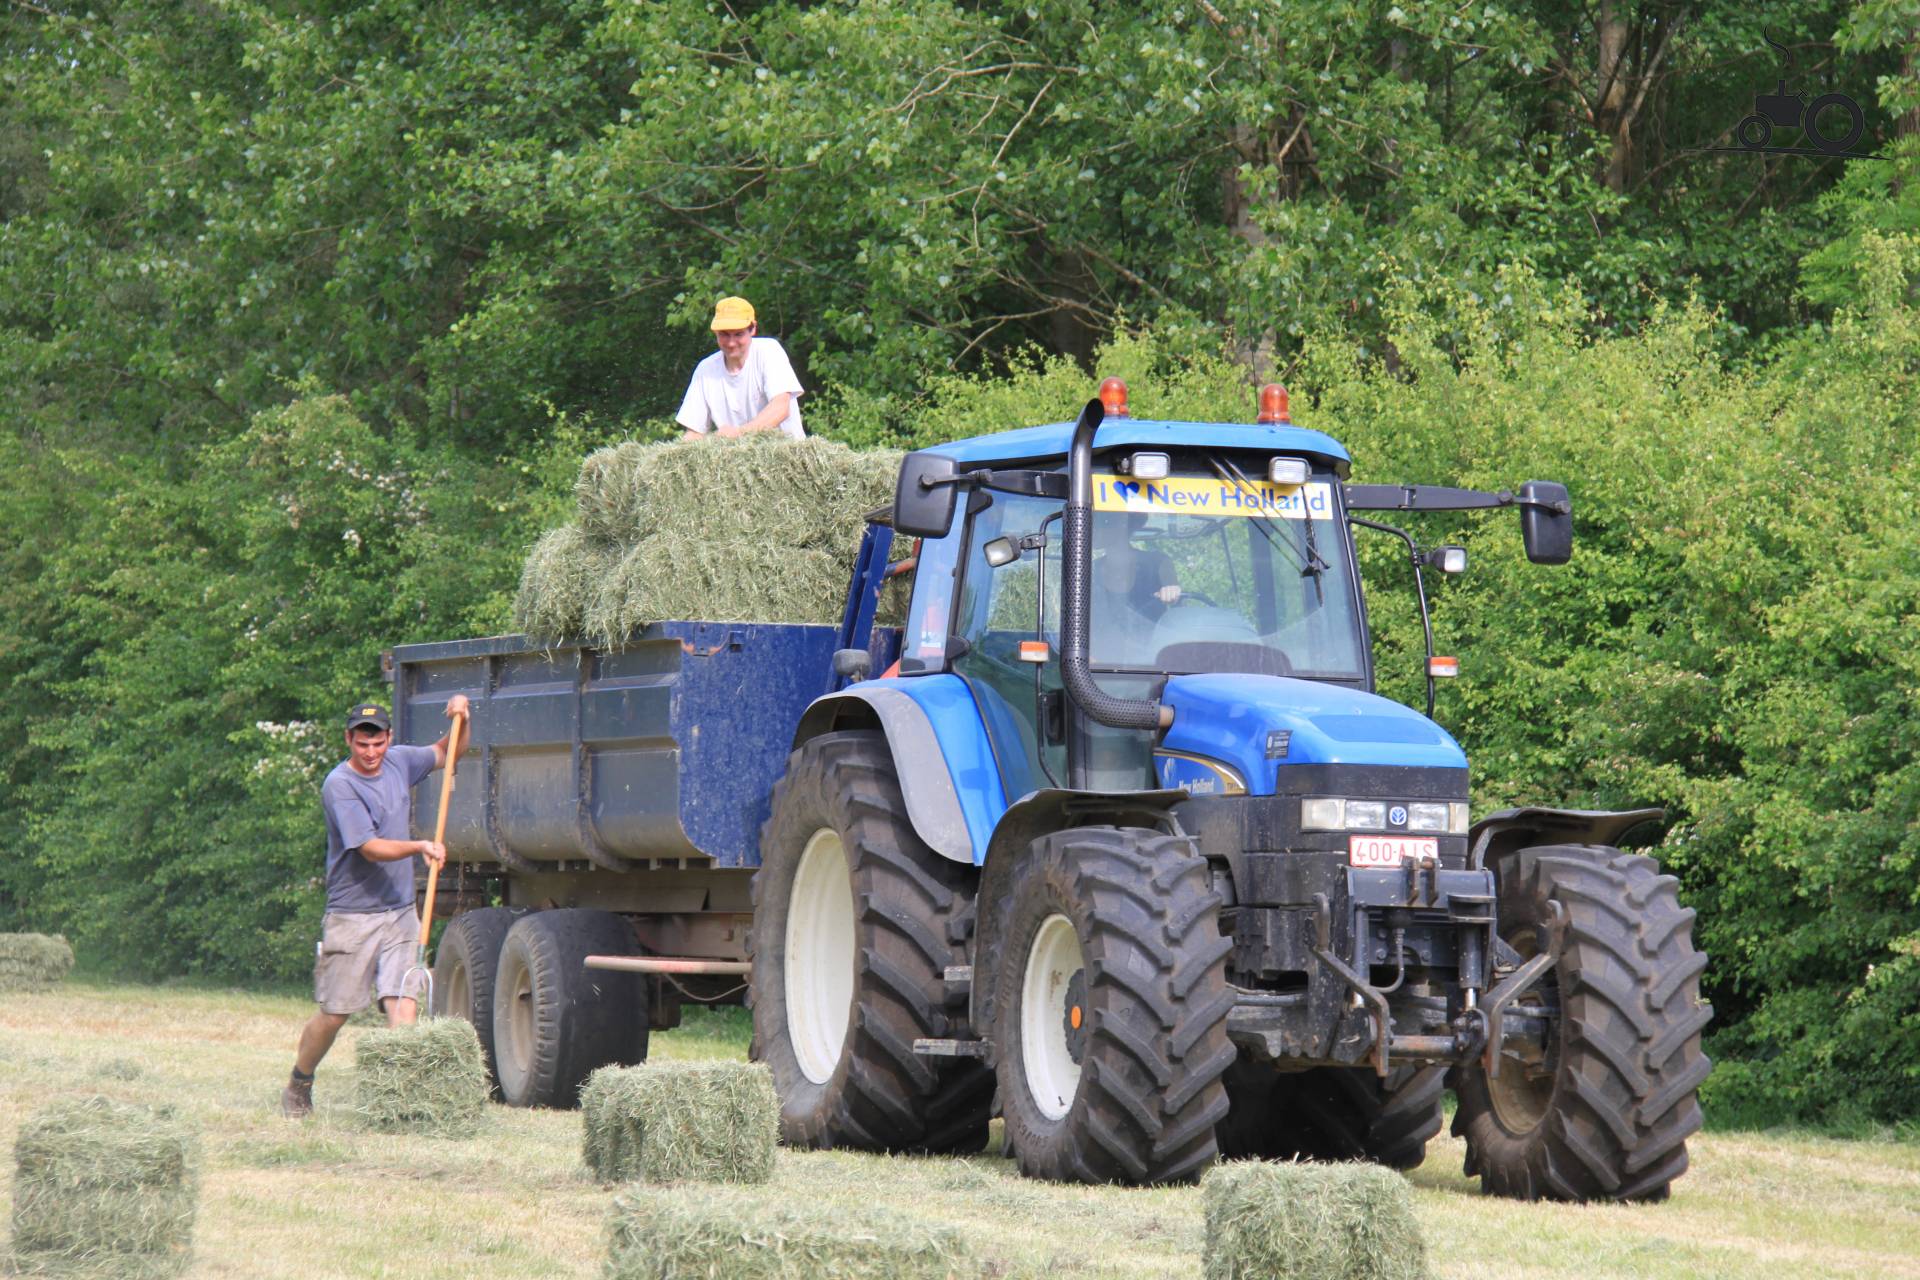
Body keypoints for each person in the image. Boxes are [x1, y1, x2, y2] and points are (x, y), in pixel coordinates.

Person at [281, 696, 469, 1119]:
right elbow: (369, 848)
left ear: (389, 739)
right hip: (352, 915)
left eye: (378, 743)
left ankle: (400, 1101)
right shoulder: (339, 786)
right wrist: (419, 845)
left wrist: (463, 717)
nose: (370, 753)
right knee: (335, 1014)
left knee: (402, 1000)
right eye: (362, 744)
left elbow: (448, 750)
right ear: (348, 739)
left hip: (400, 911)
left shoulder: (401, 762)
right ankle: (299, 1081)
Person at [675, 296, 806, 440]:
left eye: (738, 334)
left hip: (786, 456)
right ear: (715, 333)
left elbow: (781, 407)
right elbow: (695, 432)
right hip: (738, 460)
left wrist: (739, 433)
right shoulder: (705, 370)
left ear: (753, 329)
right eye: (724, 334)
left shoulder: (769, 351)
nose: (731, 343)